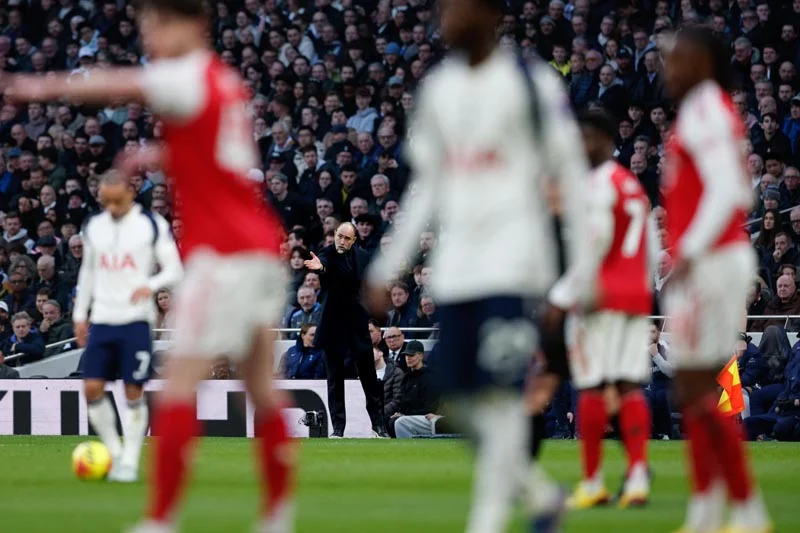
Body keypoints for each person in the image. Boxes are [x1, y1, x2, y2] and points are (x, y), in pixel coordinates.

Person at [4, 0, 298, 529]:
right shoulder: (223, 81)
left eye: (160, 24)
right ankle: (278, 513)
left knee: (182, 380)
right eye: (146, 27)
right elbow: (222, 159)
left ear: (197, 25)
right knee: (262, 386)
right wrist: (160, 158)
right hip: (261, 246)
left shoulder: (185, 74)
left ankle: (160, 519)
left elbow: (123, 83)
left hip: (224, 253)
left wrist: (36, 87)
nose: (152, 36)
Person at [366, 0, 587, 530]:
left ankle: (487, 519)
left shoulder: (531, 84)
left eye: (459, 7)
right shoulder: (440, 89)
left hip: (514, 263)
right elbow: (427, 187)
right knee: (461, 400)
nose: (448, 18)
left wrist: (581, 265)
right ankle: (537, 492)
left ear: (489, 13)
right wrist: (387, 264)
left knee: (503, 391)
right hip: (458, 268)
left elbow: (571, 172)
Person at [662, 27, 771, 533]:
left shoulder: (707, 109)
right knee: (695, 393)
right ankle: (710, 511)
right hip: (713, 261)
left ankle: (744, 511)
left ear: (703, 61)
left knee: (698, 388)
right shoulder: (706, 109)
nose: (668, 67)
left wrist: (689, 249)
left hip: (714, 263)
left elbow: (732, 191)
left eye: (677, 58)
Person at [549, 110, 656, 509]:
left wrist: (560, 299)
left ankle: (593, 481)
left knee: (592, 385)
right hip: (632, 297)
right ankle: (639, 476)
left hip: (599, 297)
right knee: (628, 385)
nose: (583, 145)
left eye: (590, 137)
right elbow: (648, 247)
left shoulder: (594, 186)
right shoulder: (632, 186)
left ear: (609, 141)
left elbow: (592, 249)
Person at [70, 172, 183, 483]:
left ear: (131, 194)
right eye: (106, 201)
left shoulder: (151, 224)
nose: (112, 207)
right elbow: (88, 272)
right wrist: (81, 314)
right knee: (91, 387)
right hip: (104, 319)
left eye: (117, 200)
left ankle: (130, 461)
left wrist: (150, 283)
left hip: (136, 319)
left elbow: (174, 269)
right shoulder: (94, 226)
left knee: (133, 390)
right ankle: (115, 453)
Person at [303, 222, 388, 438]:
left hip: (358, 324)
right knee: (334, 379)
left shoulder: (364, 257)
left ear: (354, 240)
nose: (341, 241)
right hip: (333, 326)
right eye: (339, 236)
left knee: (369, 377)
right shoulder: (327, 253)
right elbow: (324, 265)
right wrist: (320, 267)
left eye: (346, 238)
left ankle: (378, 426)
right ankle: (338, 429)